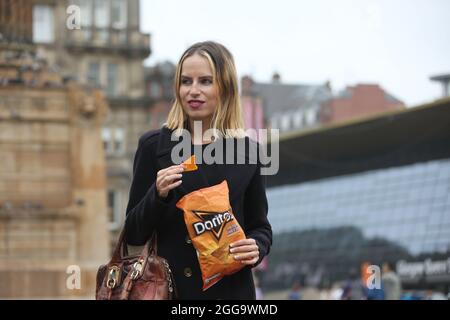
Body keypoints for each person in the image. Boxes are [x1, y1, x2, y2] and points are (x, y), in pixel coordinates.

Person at [124, 41, 272, 299]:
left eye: (205, 81)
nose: (193, 91)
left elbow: (260, 226)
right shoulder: (153, 146)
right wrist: (157, 195)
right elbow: (133, 233)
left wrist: (256, 246)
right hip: (173, 292)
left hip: (231, 295)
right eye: (186, 81)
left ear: (224, 88)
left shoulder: (248, 152)